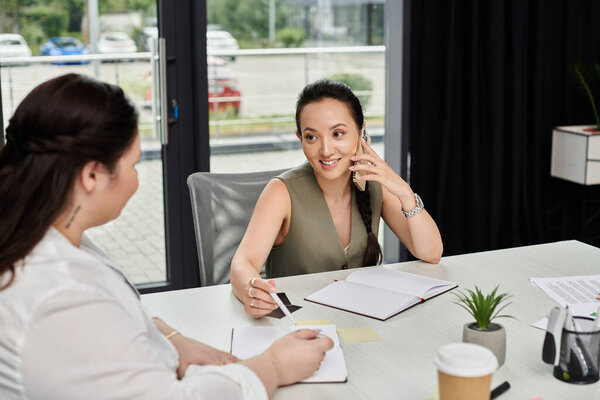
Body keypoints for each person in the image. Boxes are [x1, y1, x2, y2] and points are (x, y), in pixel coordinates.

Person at [0, 74, 333, 400]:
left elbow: (111, 318)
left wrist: (171, 339)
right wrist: (273, 366)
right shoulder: (59, 294)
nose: (136, 180)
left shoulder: (38, 234)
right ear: (91, 175)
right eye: (133, 164)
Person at [230, 79, 443, 318]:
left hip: (363, 322)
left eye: (338, 133)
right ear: (300, 138)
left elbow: (431, 252)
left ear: (360, 132)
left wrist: (403, 192)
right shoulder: (280, 192)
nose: (326, 150)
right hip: (298, 328)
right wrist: (252, 290)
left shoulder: (374, 183)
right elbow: (242, 263)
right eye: (312, 137)